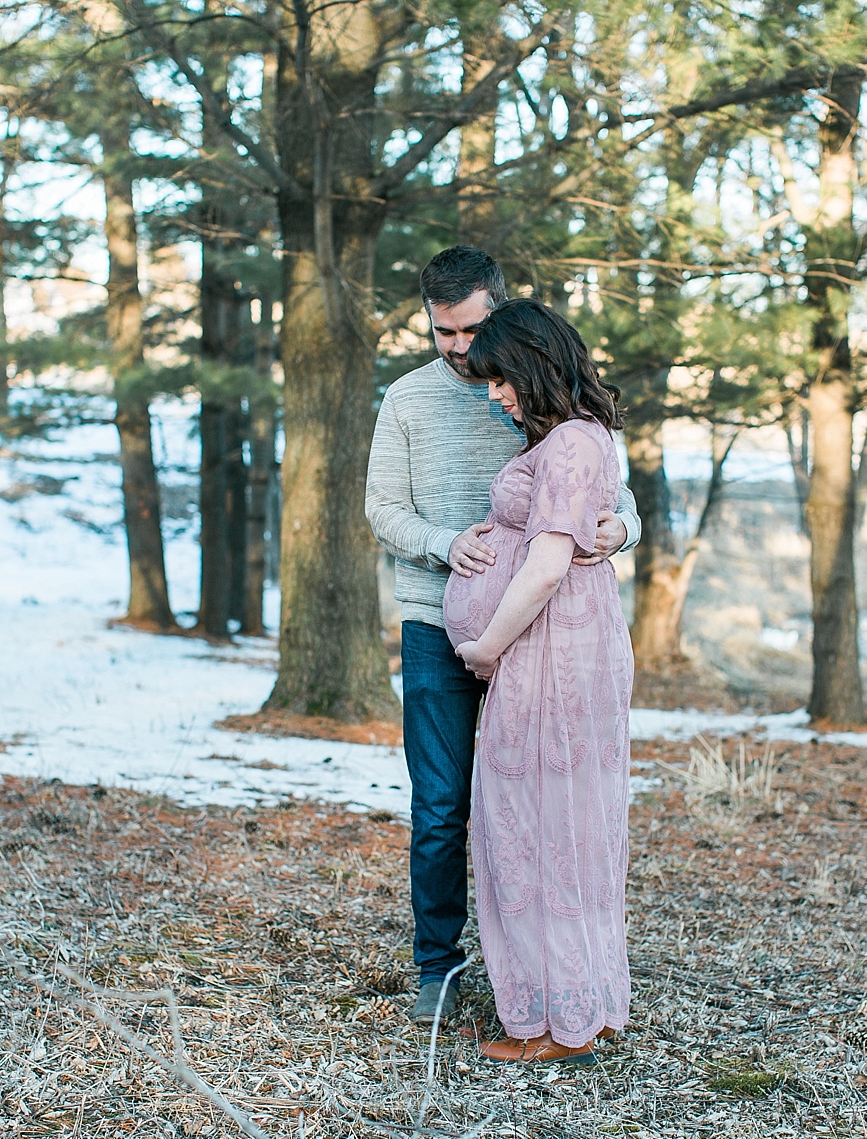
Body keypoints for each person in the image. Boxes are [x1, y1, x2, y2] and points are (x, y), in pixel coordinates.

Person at [365, 248, 640, 1029]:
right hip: (436, 622)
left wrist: (619, 528)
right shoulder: (407, 400)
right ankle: (439, 964)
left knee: (535, 802)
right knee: (445, 802)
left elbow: (611, 497)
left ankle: (539, 969)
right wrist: (445, 542)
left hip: (539, 636)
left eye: (471, 330)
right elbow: (381, 507)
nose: (458, 349)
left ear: (505, 316)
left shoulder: (539, 389)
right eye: (442, 331)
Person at [441, 298, 634, 1064]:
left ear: (533, 365)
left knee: (538, 825)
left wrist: (487, 644)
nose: (493, 393)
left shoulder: (569, 447)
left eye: (500, 379)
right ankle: (580, 1001)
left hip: (551, 650)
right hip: (557, 645)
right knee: (562, 823)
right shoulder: (575, 438)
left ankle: (556, 1023)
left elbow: (550, 562)